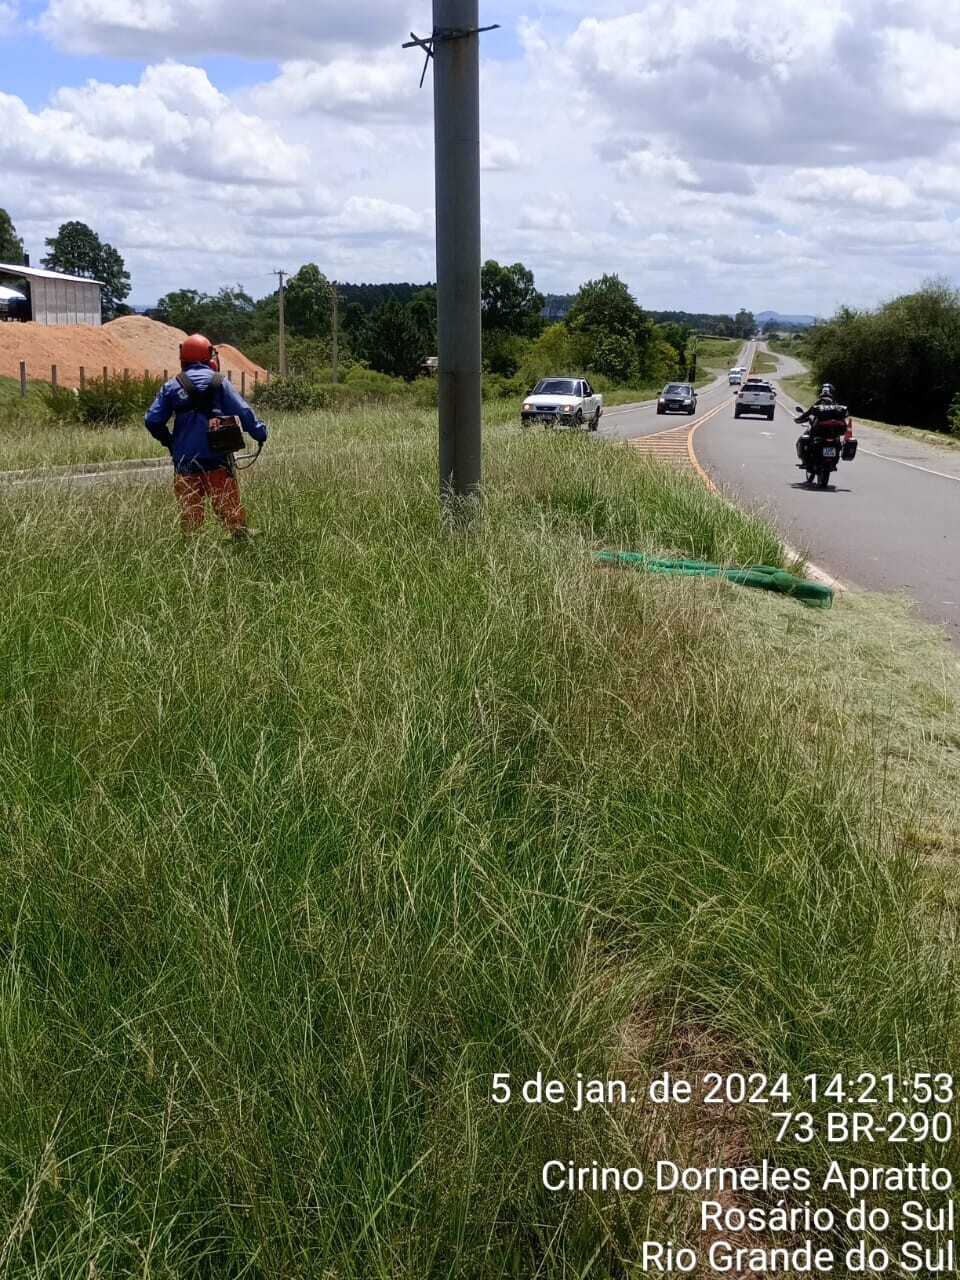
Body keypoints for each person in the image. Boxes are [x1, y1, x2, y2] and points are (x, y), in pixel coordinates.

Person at [144, 334, 268, 538]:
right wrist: (260, 433)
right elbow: (244, 413)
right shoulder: (219, 383)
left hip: (184, 461)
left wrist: (169, 441)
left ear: (183, 359)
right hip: (216, 458)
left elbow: (152, 420)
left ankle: (193, 546)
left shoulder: (172, 386)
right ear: (209, 357)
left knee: (190, 515)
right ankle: (240, 537)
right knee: (229, 509)